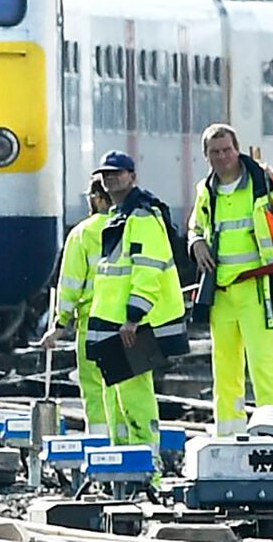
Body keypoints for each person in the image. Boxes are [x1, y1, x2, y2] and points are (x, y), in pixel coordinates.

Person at [188, 124, 273, 436]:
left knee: (263, 367)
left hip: (258, 292)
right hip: (223, 295)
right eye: (215, 152)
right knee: (225, 371)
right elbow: (196, 227)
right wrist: (195, 243)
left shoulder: (267, 184)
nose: (222, 157)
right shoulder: (206, 191)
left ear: (237, 149)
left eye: (227, 150)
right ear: (206, 156)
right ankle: (228, 435)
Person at [85, 151, 186, 468]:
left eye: (117, 173)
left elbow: (148, 270)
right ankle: (124, 470)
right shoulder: (120, 216)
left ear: (132, 176)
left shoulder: (141, 216)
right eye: (106, 174)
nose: (110, 178)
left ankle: (147, 472)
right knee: (118, 401)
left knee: (136, 400)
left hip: (132, 326)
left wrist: (133, 317)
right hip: (114, 325)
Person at [40, 178, 113, 436]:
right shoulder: (135, 226)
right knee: (127, 392)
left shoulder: (83, 233)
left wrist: (59, 325)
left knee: (95, 390)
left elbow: (70, 286)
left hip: (93, 325)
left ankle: (101, 449)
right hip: (131, 326)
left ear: (97, 198)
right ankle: (133, 453)